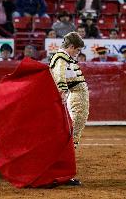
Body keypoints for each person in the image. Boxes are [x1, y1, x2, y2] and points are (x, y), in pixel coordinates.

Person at [49, 32, 89, 186]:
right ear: (71, 47)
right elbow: (59, 76)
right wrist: (63, 92)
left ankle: (62, 171)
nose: (77, 54)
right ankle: (63, 172)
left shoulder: (63, 57)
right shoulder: (61, 57)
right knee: (72, 135)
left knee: (71, 134)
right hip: (76, 99)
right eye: (77, 50)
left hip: (75, 97)